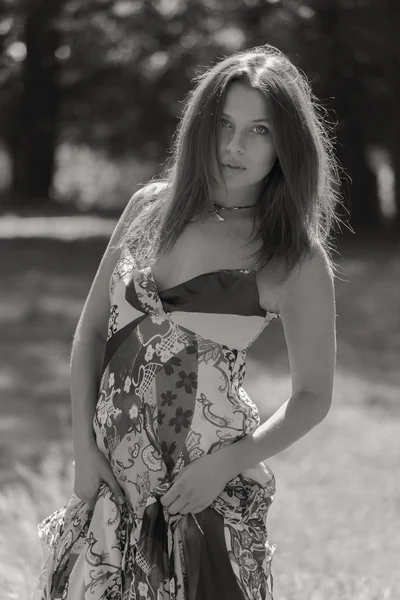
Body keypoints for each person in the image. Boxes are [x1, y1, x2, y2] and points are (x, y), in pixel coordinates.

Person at [33, 44, 339, 600]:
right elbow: (91, 330)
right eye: (224, 123)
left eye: (260, 130)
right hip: (110, 480)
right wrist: (84, 447)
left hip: (202, 495)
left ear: (286, 143)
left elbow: (313, 395)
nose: (234, 146)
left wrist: (226, 465)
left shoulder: (293, 255)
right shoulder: (149, 207)